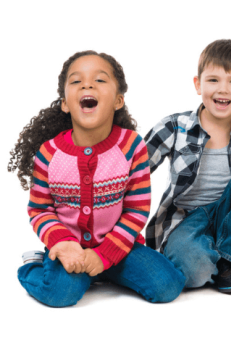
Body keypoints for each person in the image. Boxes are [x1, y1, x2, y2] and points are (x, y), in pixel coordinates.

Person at [9, 51, 185, 307]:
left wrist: (104, 256)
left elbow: (136, 210)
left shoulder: (132, 146)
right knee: (61, 293)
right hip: (70, 251)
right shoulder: (49, 153)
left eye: (100, 80)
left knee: (167, 286)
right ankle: (36, 266)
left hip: (120, 247)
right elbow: (40, 210)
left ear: (118, 100)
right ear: (65, 103)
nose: (87, 84)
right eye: (76, 81)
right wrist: (63, 244)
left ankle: (108, 271)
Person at [144, 39, 231, 293]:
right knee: (193, 273)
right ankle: (230, 258)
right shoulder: (175, 126)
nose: (223, 89)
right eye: (213, 80)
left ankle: (229, 260)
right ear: (198, 84)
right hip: (187, 220)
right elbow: (133, 171)